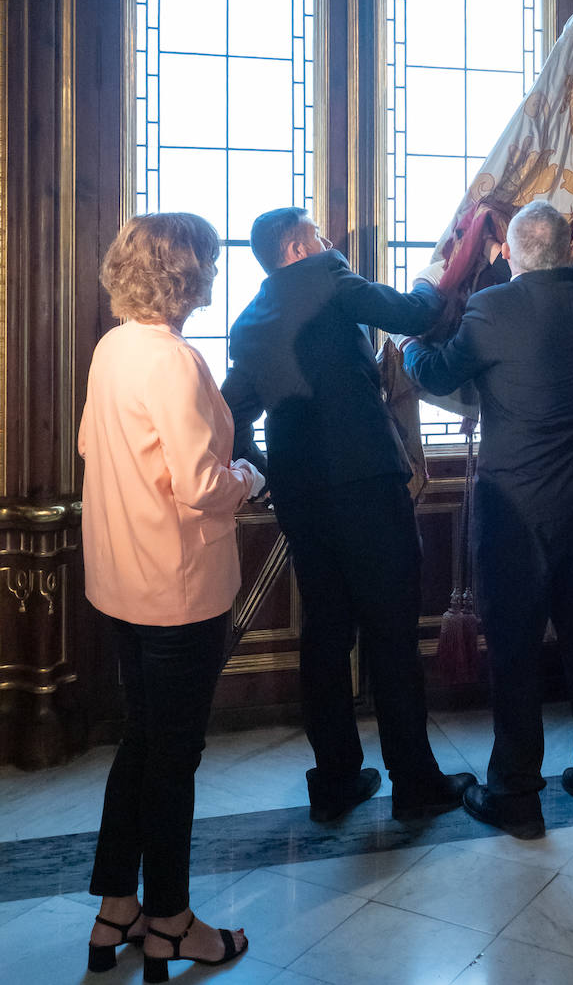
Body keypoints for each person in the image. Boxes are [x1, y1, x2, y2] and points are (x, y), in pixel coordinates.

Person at [221, 207, 473, 823]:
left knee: (325, 636)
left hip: (304, 499)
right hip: (368, 487)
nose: (329, 240)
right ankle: (414, 784)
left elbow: (230, 413)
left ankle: (334, 781)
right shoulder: (329, 276)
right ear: (298, 249)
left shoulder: (248, 322)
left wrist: (268, 475)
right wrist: (437, 269)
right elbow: (416, 315)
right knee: (390, 632)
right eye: (316, 233)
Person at [403, 200, 573, 838]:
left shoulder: (492, 309)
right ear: (566, 248)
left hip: (516, 512)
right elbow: (559, 262)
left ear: (507, 255)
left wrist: (407, 342)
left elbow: (438, 370)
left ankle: (515, 794)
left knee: (515, 648)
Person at [80, 212, 264, 979]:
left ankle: (115, 908)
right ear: (187, 275)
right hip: (179, 591)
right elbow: (199, 486)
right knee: (173, 761)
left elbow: (94, 447)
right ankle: (173, 922)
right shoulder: (175, 361)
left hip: (120, 579)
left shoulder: (113, 346)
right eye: (211, 263)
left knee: (141, 744)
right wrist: (251, 478)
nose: (216, 274)